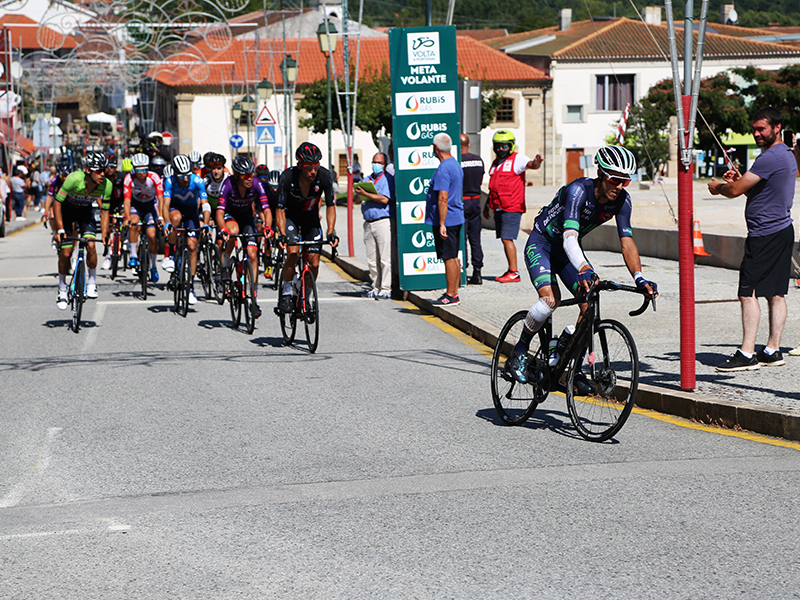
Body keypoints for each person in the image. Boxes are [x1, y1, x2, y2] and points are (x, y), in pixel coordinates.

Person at [506, 145, 657, 384]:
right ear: (601, 174)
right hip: (543, 242)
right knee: (549, 300)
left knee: (589, 308)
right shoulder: (578, 191)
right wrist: (584, 267)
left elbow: (627, 243)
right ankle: (520, 351)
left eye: (625, 182)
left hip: (568, 251)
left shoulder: (622, 202)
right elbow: (569, 238)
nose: (619, 186)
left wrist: (639, 278)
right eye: (614, 179)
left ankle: (569, 360)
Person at [708, 107, 797, 371]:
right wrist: (741, 182)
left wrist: (719, 187)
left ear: (777, 127)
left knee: (749, 293)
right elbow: (759, 193)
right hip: (781, 230)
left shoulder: (769, 157)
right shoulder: (785, 155)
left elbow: (734, 191)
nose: (756, 133)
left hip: (765, 234)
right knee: (777, 293)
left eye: (762, 129)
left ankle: (747, 354)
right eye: (754, 128)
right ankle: (773, 349)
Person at [275, 142, 339, 314]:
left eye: (316, 166)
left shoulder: (324, 176)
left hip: (310, 219)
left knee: (315, 262)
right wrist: (282, 234)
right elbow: (280, 209)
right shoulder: (287, 177)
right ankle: (287, 291)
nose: (313, 171)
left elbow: (331, 205)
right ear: (300, 166)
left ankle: (307, 296)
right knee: (293, 252)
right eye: (309, 167)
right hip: (291, 218)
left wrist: (331, 231)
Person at [52, 152, 113, 308]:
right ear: (88, 170)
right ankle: (62, 288)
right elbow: (57, 203)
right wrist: (60, 230)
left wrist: (105, 234)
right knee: (66, 253)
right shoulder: (74, 179)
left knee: (91, 245)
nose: (102, 174)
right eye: (98, 170)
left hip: (86, 212)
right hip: (67, 211)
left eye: (104, 170)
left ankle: (92, 282)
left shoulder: (106, 185)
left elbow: (105, 212)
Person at [483, 130, 543, 283]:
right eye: (498, 146)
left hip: (511, 206)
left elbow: (531, 165)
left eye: (504, 146)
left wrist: (537, 162)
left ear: (510, 146)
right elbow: (492, 187)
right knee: (504, 239)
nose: (500, 149)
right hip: (498, 206)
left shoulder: (517, 159)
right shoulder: (496, 163)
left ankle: (513, 272)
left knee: (507, 238)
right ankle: (511, 269)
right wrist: (486, 206)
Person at [216, 155, 272, 318]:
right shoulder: (228, 184)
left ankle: (253, 299)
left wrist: (267, 226)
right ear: (236, 176)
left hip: (247, 217)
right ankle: (226, 264)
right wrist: (222, 229)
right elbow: (219, 212)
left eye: (251, 174)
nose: (249, 178)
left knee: (253, 255)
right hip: (230, 215)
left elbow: (266, 209)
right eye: (245, 175)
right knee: (232, 231)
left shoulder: (256, 183)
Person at [163, 154, 211, 305]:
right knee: (175, 220)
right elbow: (165, 205)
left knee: (192, 246)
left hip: (191, 211)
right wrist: (166, 222)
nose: (185, 179)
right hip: (175, 209)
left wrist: (207, 222)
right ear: (175, 174)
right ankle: (170, 255)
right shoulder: (169, 181)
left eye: (188, 175)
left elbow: (205, 204)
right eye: (182, 176)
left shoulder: (197, 181)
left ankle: (190, 287)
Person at [425, 132, 464, 307]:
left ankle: (451, 294)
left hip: (447, 219)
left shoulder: (443, 168)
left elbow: (443, 197)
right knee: (454, 256)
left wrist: (441, 223)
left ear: (435, 148)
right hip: (456, 217)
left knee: (448, 257)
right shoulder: (454, 164)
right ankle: (453, 292)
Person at [355, 152, 392, 299]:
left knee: (384, 258)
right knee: (371, 259)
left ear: (384, 164)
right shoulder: (367, 179)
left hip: (382, 221)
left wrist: (367, 194)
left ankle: (386, 288)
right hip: (368, 223)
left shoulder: (388, 179)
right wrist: (358, 192)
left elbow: (384, 199)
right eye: (374, 161)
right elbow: (358, 201)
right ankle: (375, 286)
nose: (376, 165)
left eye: (379, 162)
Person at [123, 152, 164, 283]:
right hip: (136, 205)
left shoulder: (155, 177)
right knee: (133, 223)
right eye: (139, 170)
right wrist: (126, 217)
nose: (142, 173)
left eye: (145, 169)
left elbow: (161, 199)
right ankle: (133, 255)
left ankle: (153, 266)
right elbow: (127, 200)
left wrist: (161, 217)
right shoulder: (129, 179)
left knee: (152, 235)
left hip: (150, 206)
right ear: (134, 169)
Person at [460, 133, 485, 285]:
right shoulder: (478, 160)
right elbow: (481, 181)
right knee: (475, 239)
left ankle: (463, 270)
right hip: (475, 200)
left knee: (462, 238)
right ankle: (478, 272)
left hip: (461, 201)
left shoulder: (457, 161)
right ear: (469, 144)